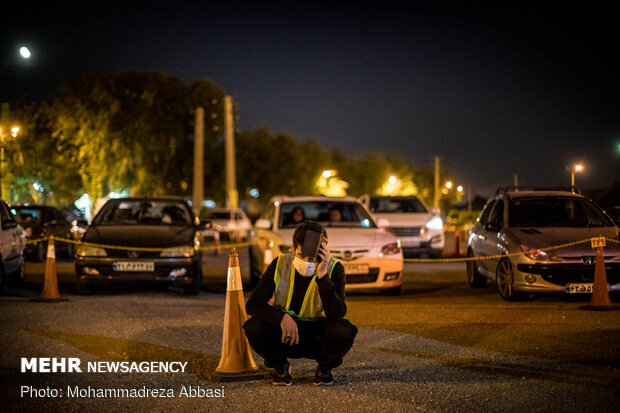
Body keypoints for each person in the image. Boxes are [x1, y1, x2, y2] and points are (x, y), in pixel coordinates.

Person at [244, 221, 357, 386]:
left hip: (317, 335)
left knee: (344, 330)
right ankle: (280, 365)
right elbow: (253, 304)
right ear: (293, 248)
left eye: (312, 258)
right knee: (253, 327)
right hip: (285, 333)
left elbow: (337, 314)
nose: (307, 262)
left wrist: (323, 275)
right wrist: (281, 317)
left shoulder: (334, 268)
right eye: (301, 255)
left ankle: (324, 368)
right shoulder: (280, 264)